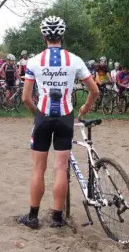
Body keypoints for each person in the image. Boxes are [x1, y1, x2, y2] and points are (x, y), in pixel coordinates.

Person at [19, 16, 99, 229]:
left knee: (38, 169)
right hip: (66, 117)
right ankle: (56, 218)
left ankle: (33, 217)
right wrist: (85, 108)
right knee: (61, 168)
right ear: (62, 36)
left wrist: (38, 115)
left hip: (43, 116)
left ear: (43, 36)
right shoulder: (75, 60)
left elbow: (26, 98)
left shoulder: (34, 61)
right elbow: (94, 90)